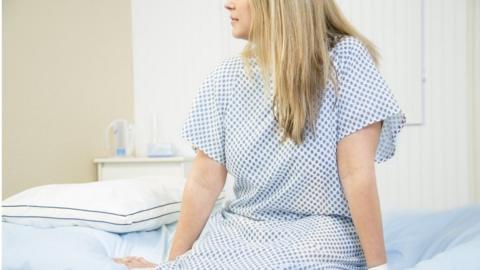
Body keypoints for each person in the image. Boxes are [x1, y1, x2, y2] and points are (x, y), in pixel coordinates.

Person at [114, 0, 406, 269]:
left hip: (320, 232)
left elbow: (357, 172)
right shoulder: (226, 78)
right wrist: (173, 264)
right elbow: (203, 183)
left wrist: (378, 267)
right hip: (242, 231)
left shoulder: (346, 59)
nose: (227, 4)